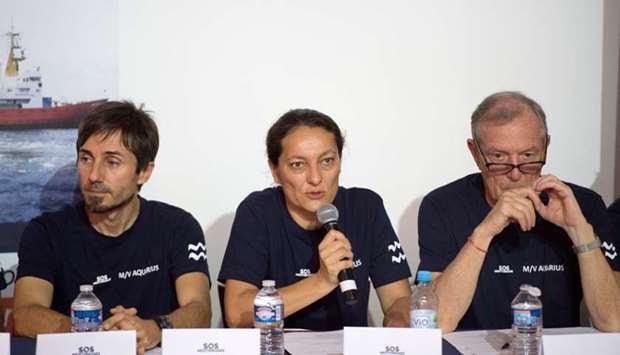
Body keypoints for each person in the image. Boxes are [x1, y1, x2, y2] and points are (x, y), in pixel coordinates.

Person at [13, 101, 211, 354]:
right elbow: (24, 314)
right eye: (86, 158)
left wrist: (153, 329)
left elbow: (199, 309)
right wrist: (91, 334)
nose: (94, 175)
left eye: (112, 162)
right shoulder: (45, 232)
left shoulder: (178, 227)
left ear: (144, 172)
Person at [418, 91, 620, 332]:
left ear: (546, 145)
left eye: (528, 155)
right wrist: (484, 232)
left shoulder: (582, 205)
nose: (515, 173)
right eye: (499, 157)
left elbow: (614, 321)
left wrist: (580, 232)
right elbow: (437, 323)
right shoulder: (442, 206)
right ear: (475, 153)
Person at [218, 109, 412, 330]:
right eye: (298, 165)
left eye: (327, 161)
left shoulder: (365, 208)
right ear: (275, 170)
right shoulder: (258, 212)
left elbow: (398, 299)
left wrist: (399, 322)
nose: (316, 178)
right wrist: (322, 281)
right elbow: (237, 314)